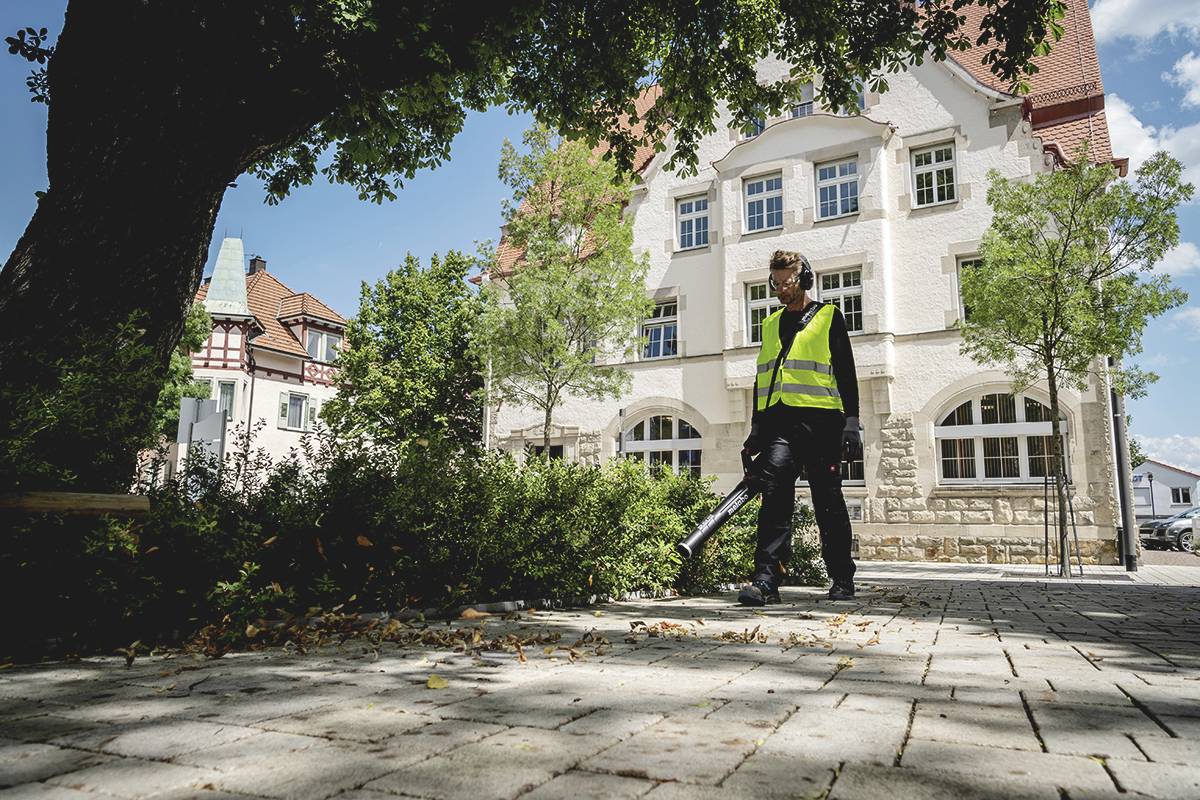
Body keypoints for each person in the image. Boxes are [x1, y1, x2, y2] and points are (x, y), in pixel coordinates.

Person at [738, 249, 862, 605]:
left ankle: (842, 578)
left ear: (804, 278)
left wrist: (851, 424)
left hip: (823, 423)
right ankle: (765, 580)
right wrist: (756, 430)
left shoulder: (829, 317)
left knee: (829, 501)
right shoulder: (770, 323)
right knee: (774, 497)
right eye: (775, 283)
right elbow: (763, 380)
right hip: (781, 425)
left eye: (787, 282)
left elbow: (846, 373)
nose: (780, 289)